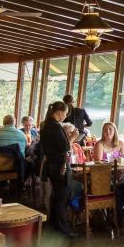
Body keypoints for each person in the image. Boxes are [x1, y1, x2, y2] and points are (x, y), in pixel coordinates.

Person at [40, 101, 76, 237]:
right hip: (59, 166)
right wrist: (72, 138)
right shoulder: (54, 127)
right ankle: (63, 230)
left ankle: (55, 225)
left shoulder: (48, 125)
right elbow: (64, 147)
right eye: (65, 113)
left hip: (53, 165)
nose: (65, 116)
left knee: (57, 196)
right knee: (62, 197)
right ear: (59, 112)